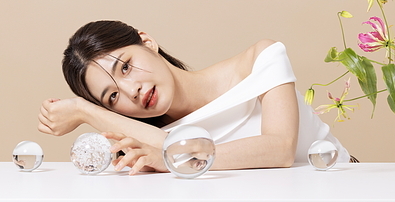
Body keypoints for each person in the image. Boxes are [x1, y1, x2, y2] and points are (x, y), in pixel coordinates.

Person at [38, 20, 350, 175]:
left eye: (126, 67)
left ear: (147, 43)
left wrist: (85, 110)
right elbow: (175, 149)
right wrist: (85, 110)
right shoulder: (153, 142)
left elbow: (280, 150)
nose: (131, 89)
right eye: (112, 97)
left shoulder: (260, 59)